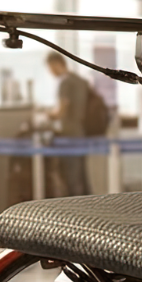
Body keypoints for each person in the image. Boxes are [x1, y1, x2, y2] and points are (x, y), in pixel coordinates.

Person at [46, 52, 92, 196]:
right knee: (81, 176)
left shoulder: (65, 83)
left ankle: (73, 211)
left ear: (56, 64)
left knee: (70, 176)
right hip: (82, 131)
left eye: (50, 67)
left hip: (69, 133)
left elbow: (62, 110)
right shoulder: (80, 81)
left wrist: (48, 116)